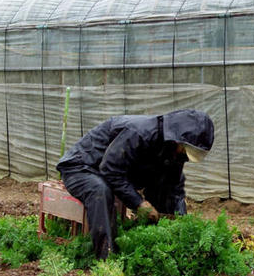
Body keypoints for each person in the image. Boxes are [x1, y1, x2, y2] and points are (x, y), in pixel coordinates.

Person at [56, 109, 214, 258]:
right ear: (179, 137)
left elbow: (174, 187)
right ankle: (106, 258)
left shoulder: (174, 149)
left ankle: (159, 248)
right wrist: (138, 204)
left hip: (111, 170)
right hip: (82, 167)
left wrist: (181, 221)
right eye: (185, 149)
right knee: (100, 190)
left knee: (163, 186)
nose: (184, 155)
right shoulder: (140, 132)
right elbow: (110, 170)